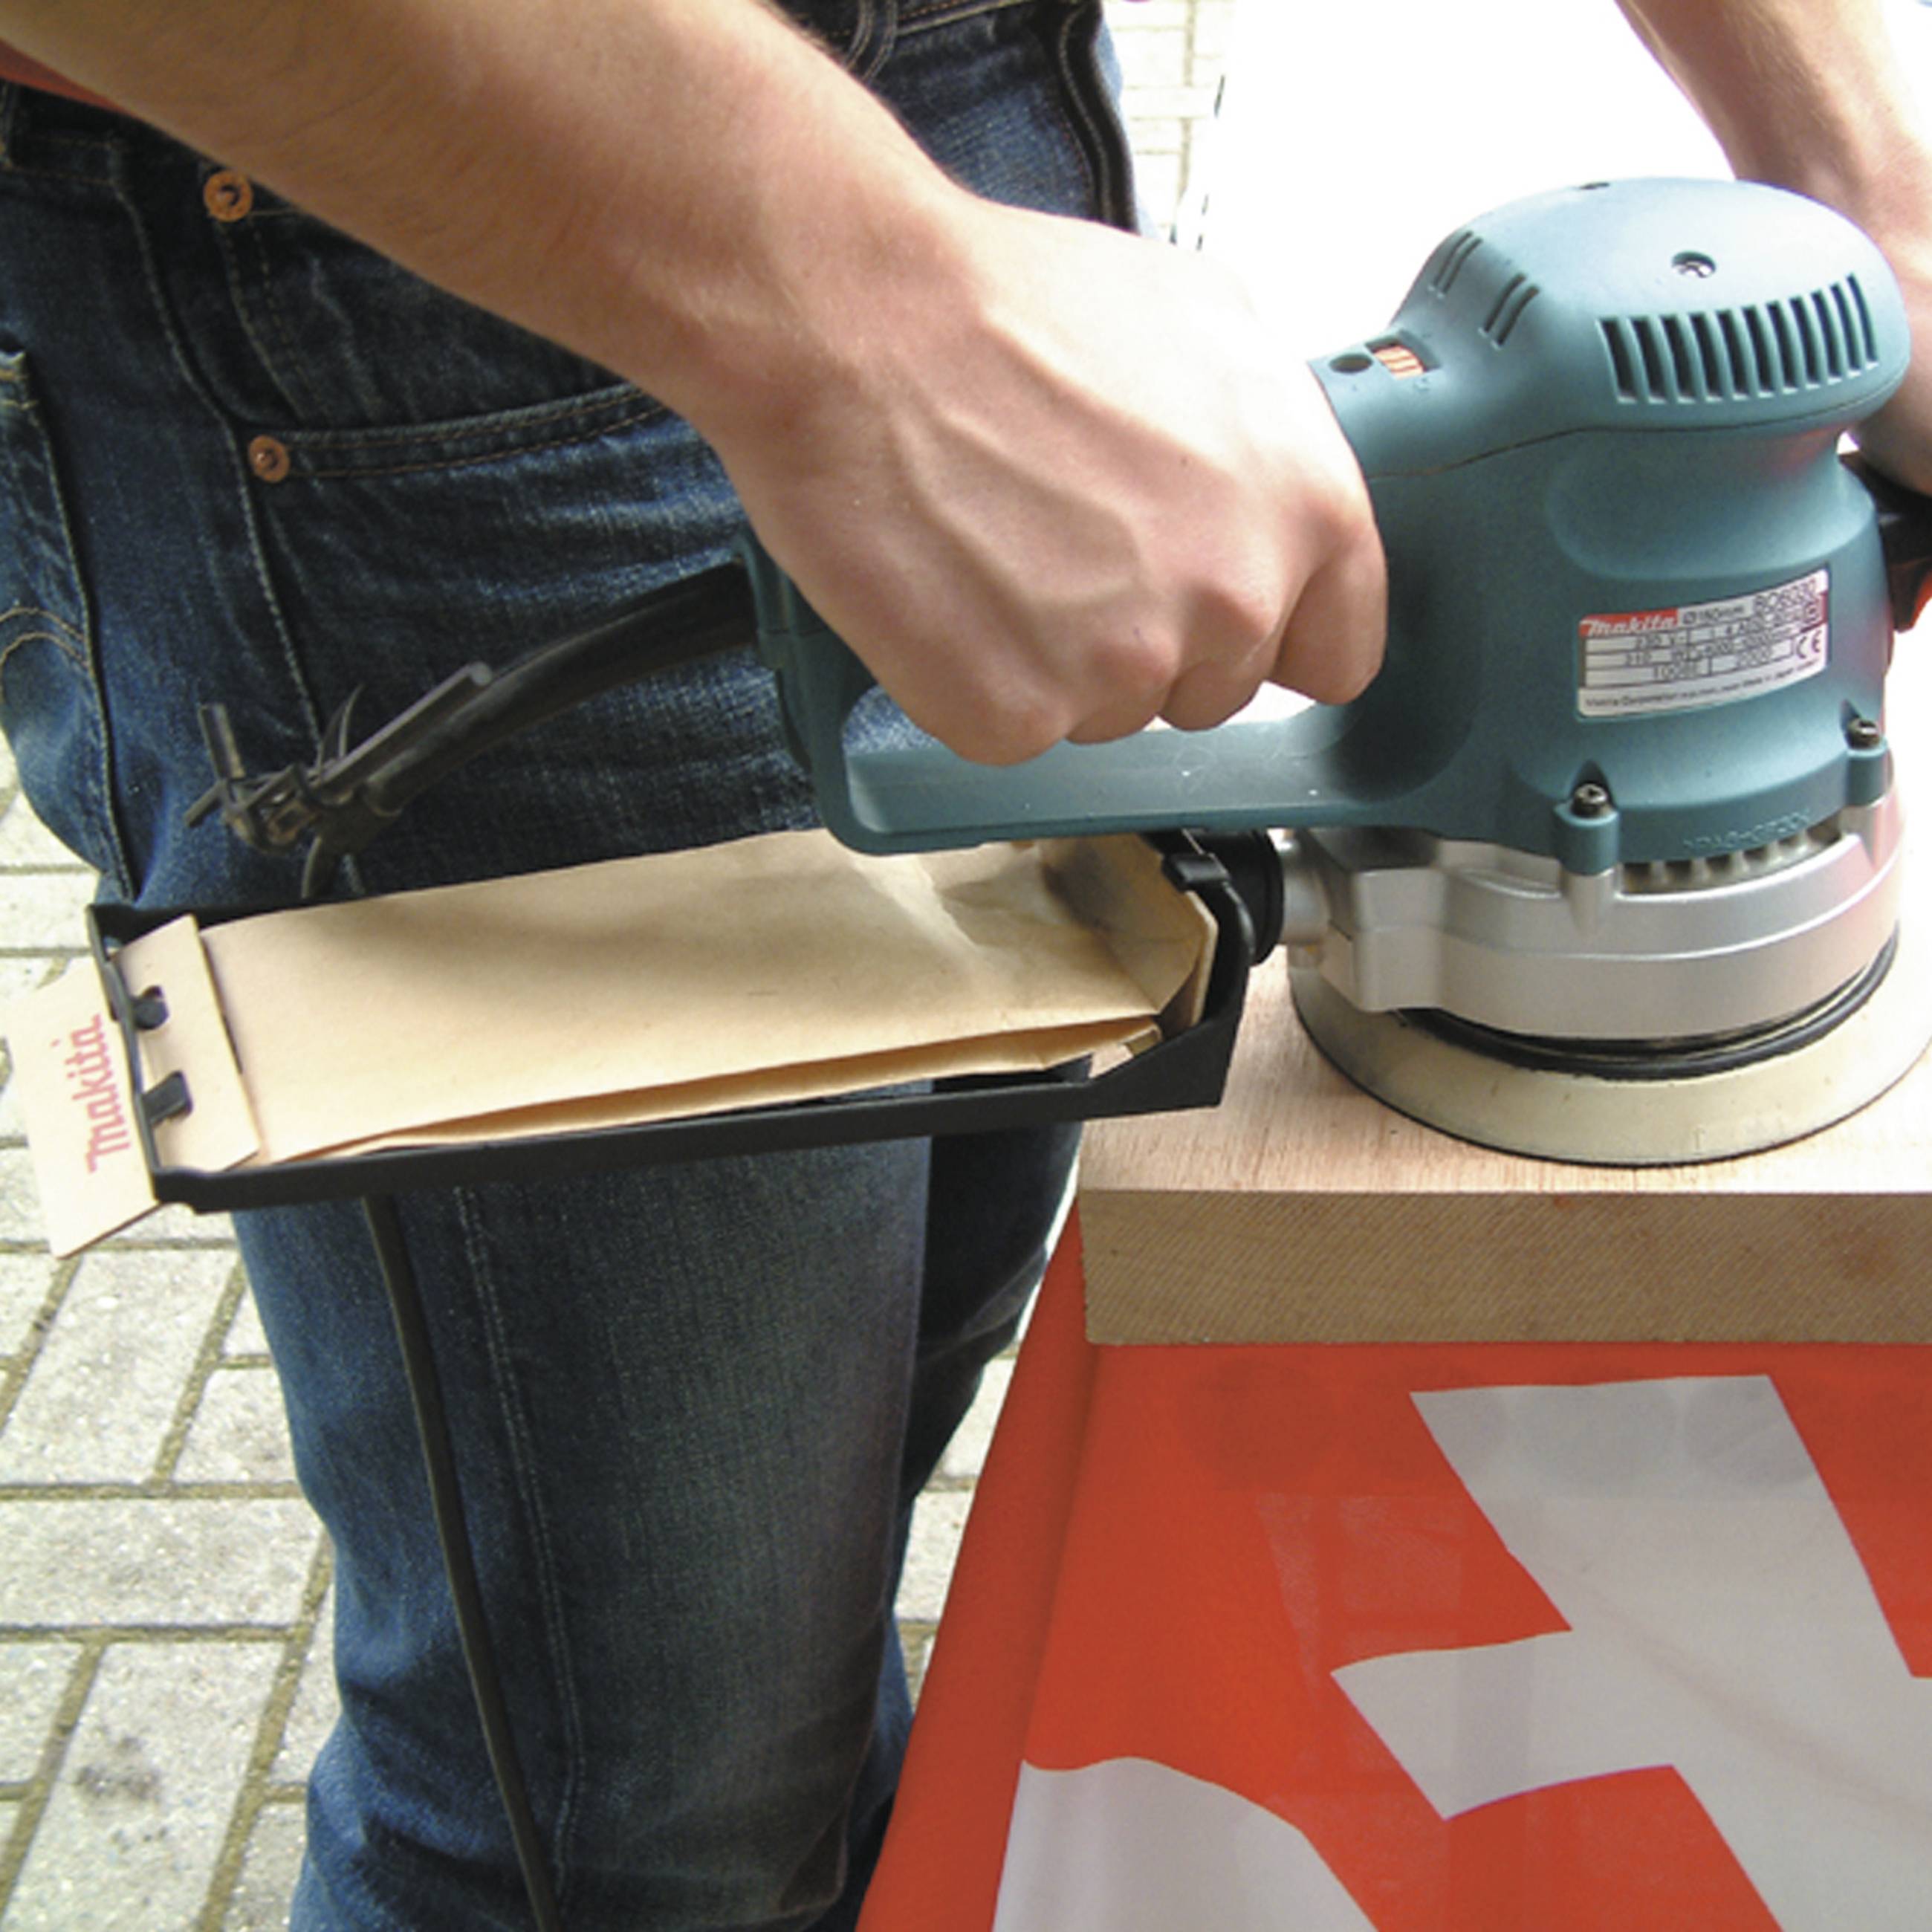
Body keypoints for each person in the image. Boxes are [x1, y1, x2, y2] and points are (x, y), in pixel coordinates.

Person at [0, 1, 1927, 1928]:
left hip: (974, 122)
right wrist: (858, 303)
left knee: (801, 1568)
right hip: (436, 211)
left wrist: (1852, 170)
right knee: (626, 1834)